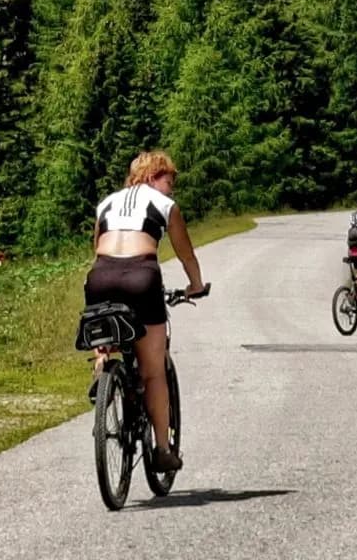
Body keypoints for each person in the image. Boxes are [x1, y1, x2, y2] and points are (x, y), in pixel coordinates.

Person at [87, 150, 206, 473]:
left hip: (100, 277)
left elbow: (98, 245)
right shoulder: (164, 206)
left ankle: (103, 366)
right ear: (153, 177)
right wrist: (195, 284)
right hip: (141, 277)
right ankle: (163, 450)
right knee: (153, 371)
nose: (172, 189)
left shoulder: (107, 203)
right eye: (169, 181)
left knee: (107, 329)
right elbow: (185, 252)